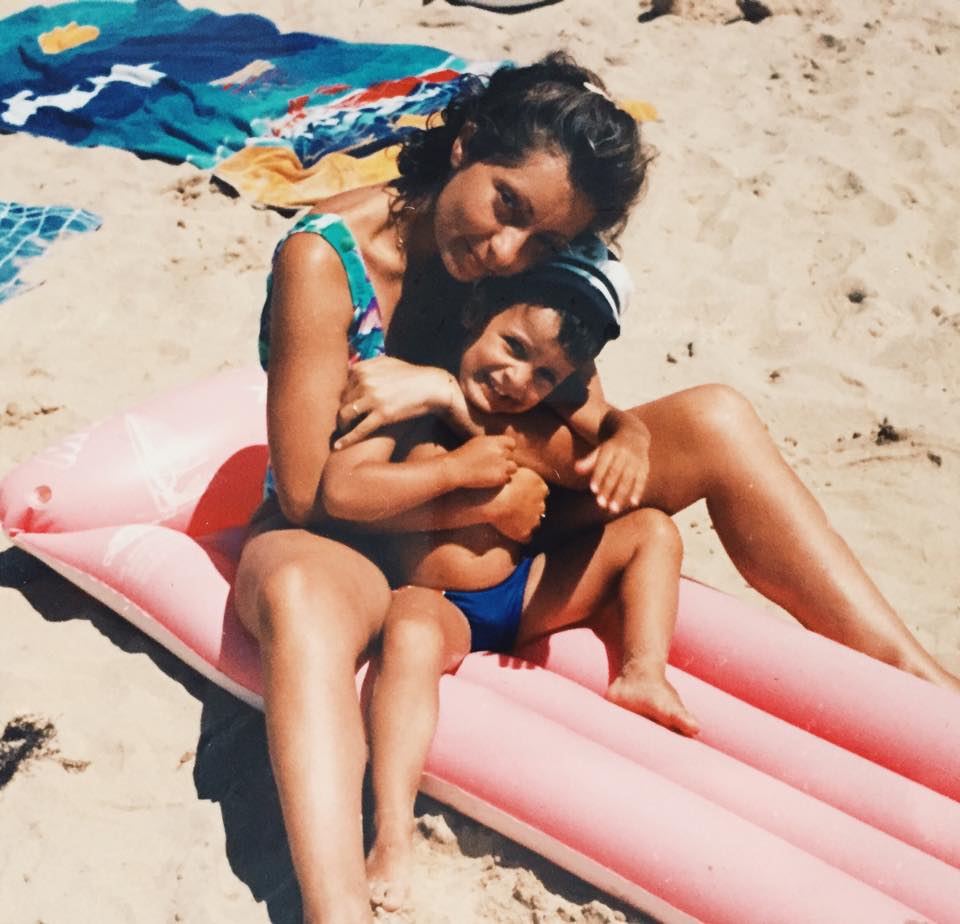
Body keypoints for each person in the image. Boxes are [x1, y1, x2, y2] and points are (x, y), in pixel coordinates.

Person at [233, 52, 648, 924]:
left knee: (718, 420)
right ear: (464, 147)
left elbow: (581, 405)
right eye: (507, 206)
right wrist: (474, 495)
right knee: (301, 595)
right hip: (343, 534)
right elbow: (306, 495)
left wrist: (457, 401)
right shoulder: (324, 259)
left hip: (470, 521)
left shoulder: (526, 258)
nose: (508, 251)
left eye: (546, 243)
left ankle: (915, 684)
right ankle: (336, 909)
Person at [320, 239, 699, 912]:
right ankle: (392, 832)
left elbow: (608, 418)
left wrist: (629, 437)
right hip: (442, 603)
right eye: (513, 347)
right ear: (477, 314)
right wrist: (455, 474)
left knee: (653, 531)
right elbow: (346, 491)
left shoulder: (539, 402)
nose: (519, 381)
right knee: (409, 630)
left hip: (523, 590)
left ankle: (643, 672)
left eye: (545, 375)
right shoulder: (410, 394)